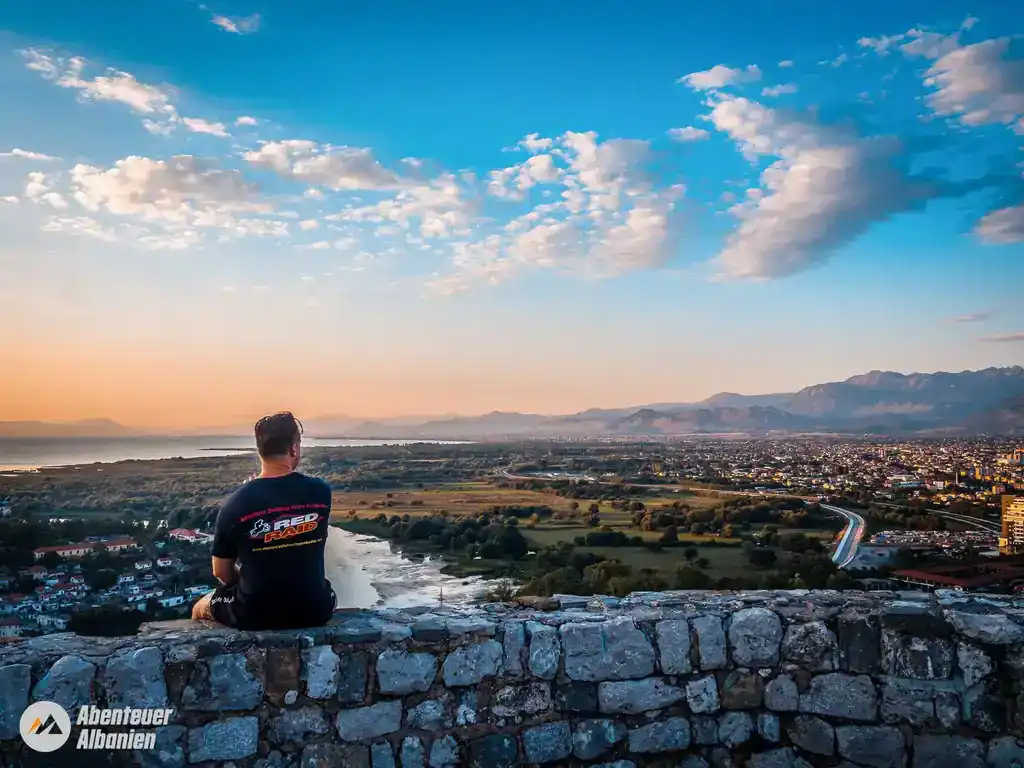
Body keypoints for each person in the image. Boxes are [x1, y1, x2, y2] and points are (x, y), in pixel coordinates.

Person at [191, 412, 337, 629]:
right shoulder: (321, 492)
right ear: (293, 449)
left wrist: (251, 587)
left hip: (253, 613)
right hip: (316, 608)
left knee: (199, 607)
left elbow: (220, 572)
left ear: (260, 450)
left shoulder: (235, 504)